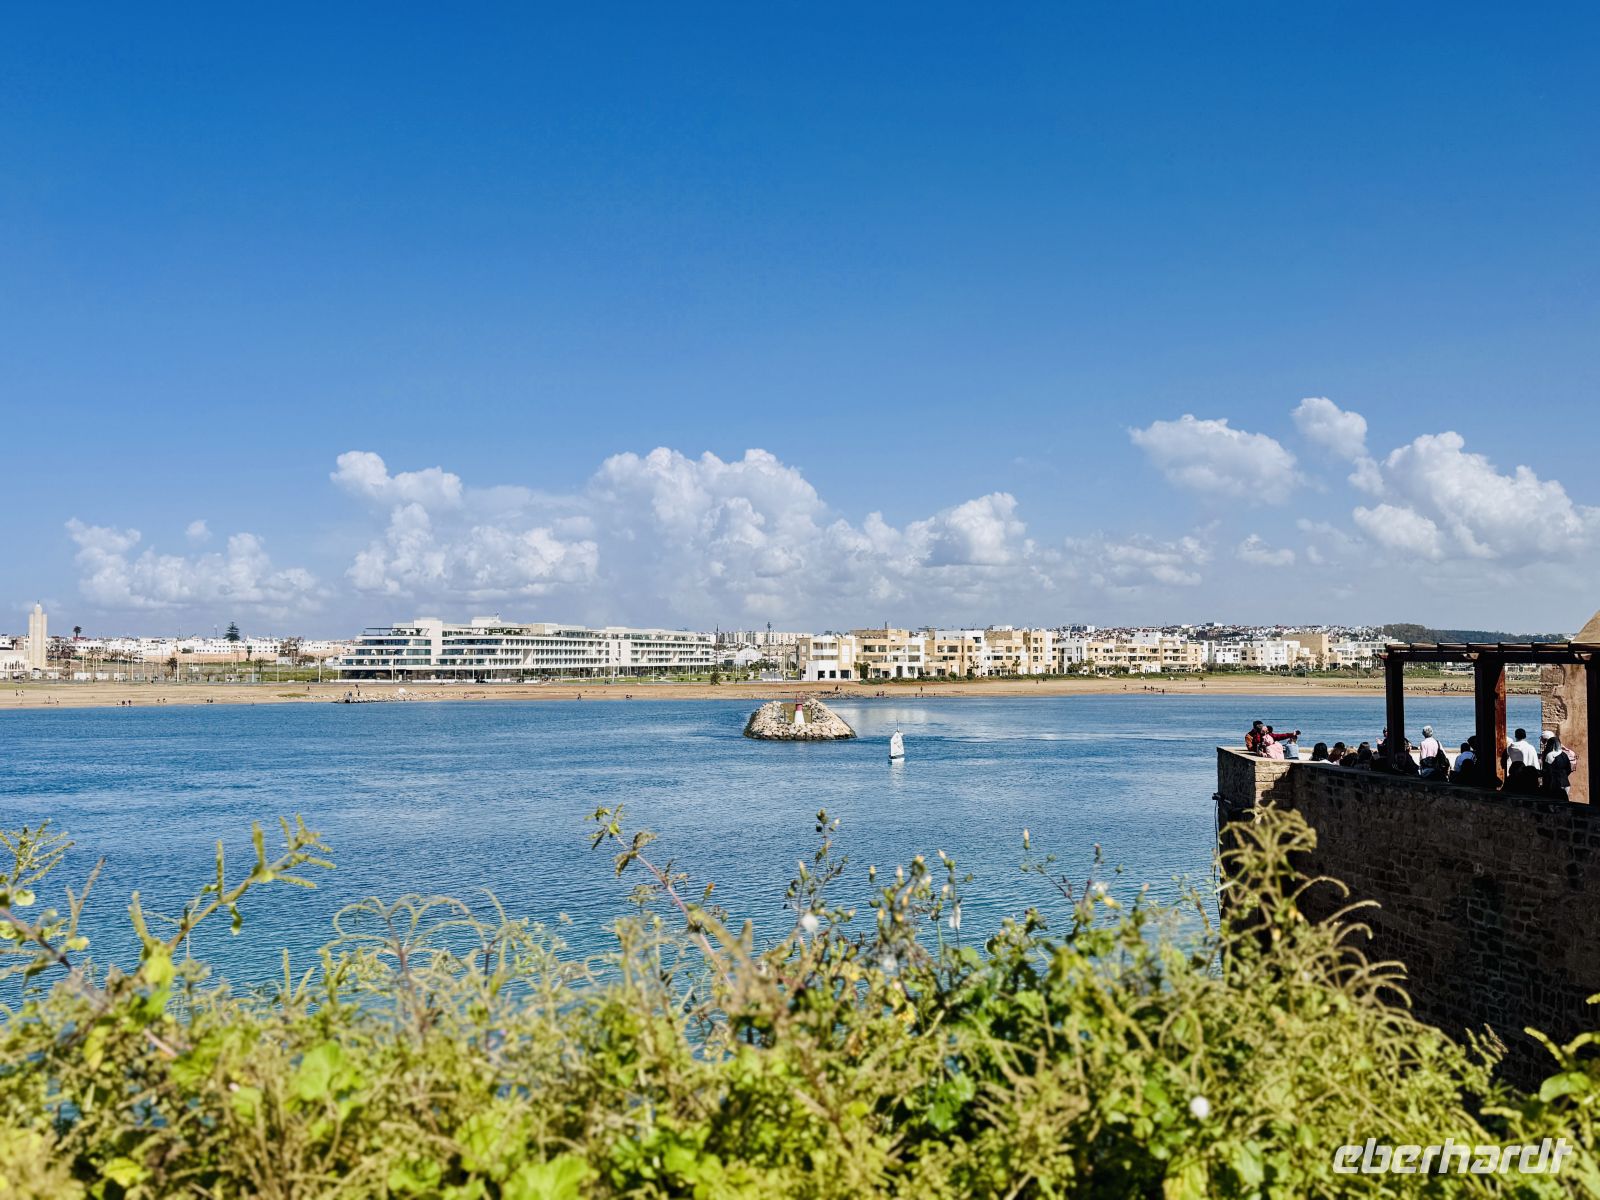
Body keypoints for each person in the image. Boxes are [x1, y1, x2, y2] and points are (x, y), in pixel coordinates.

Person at [1543, 731, 1574, 799]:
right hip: (1566, 783)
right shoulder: (1564, 754)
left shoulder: (1549, 755)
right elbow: (1568, 769)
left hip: (1555, 784)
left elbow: (1547, 770)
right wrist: (1563, 775)